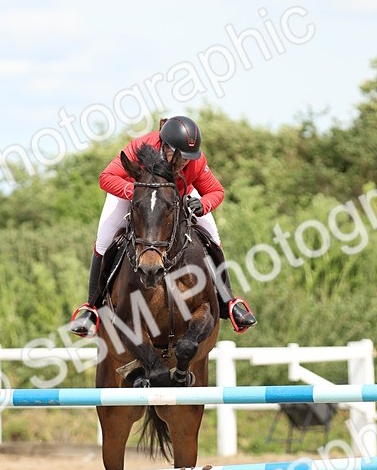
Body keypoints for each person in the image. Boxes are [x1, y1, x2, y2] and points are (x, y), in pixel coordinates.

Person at [69, 115, 257, 337]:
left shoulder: (195, 160)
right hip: (134, 194)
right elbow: (106, 177)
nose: (185, 162)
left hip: (175, 199)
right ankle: (92, 307)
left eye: (189, 157)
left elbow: (216, 191)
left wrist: (202, 204)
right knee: (104, 240)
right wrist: (135, 191)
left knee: (213, 237)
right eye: (180, 156)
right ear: (164, 145)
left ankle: (228, 302)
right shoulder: (140, 147)